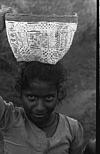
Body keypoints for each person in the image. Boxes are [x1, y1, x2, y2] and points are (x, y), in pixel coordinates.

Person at [0, 8, 84, 154]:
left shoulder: (72, 129)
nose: (39, 107)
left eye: (48, 98)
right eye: (31, 97)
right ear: (20, 94)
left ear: (59, 94)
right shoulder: (8, 118)